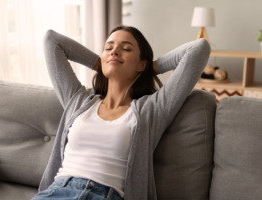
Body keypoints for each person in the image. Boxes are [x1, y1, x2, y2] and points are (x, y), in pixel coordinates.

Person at [32, 25, 210, 200]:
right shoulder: (78, 101)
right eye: (108, 48)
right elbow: (51, 40)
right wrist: (99, 63)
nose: (114, 51)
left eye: (125, 49)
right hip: (56, 192)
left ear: (141, 64)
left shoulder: (152, 109)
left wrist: (151, 68)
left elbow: (199, 48)